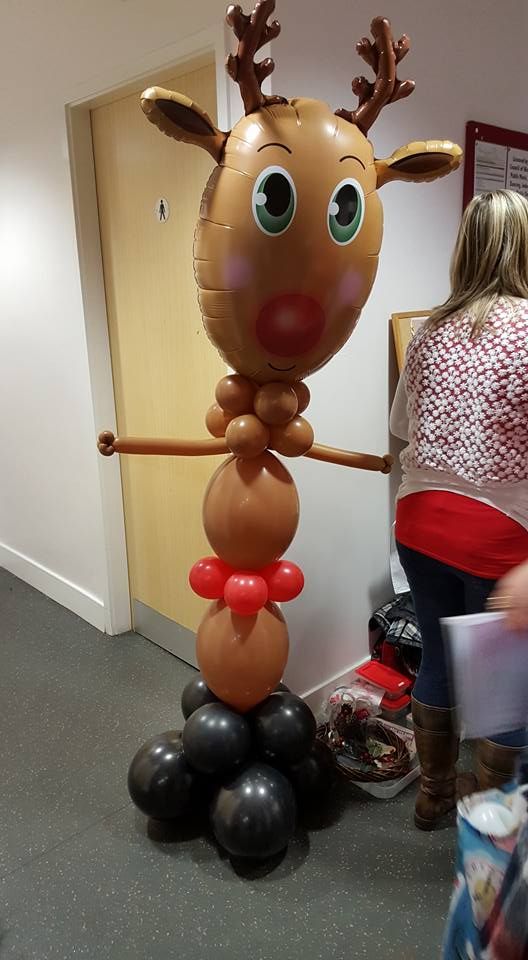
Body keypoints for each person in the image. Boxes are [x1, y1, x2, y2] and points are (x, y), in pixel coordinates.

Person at [390, 190, 528, 830]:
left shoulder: (425, 331)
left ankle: (433, 796)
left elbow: (402, 430)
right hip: (500, 537)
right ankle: (493, 816)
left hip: (420, 521)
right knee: (506, 684)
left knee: (439, 659)